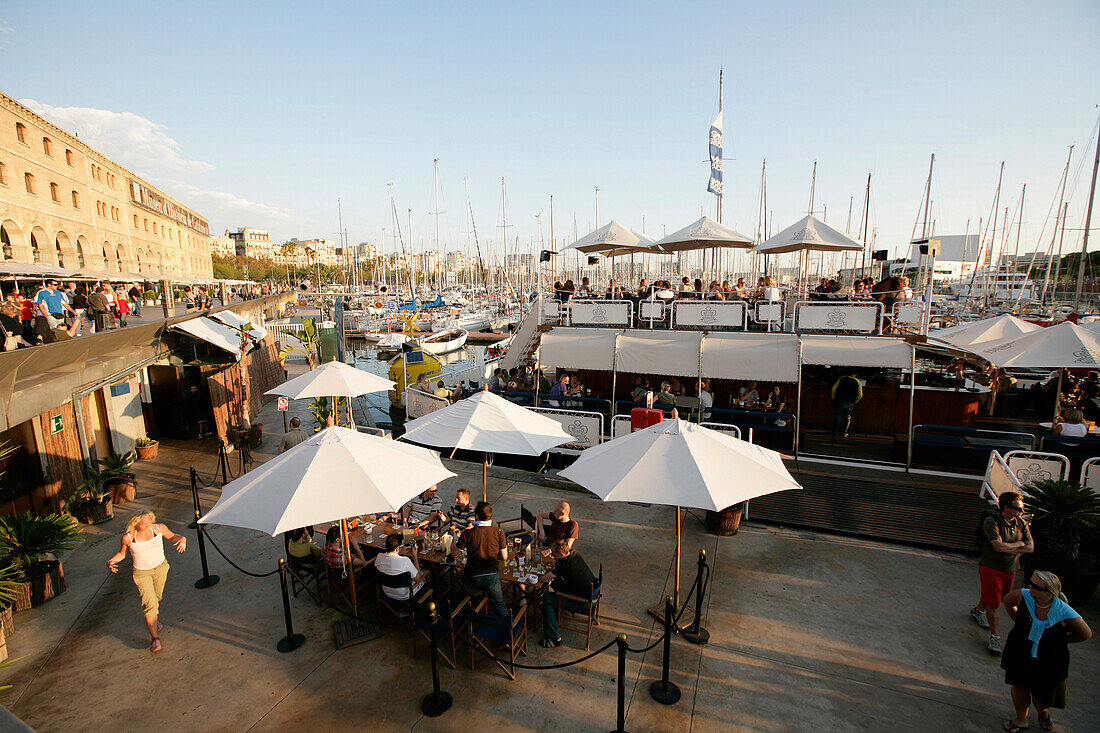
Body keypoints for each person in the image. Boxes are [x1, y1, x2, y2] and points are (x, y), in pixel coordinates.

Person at [999, 571, 1092, 732]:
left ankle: (1043, 712)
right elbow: (1007, 602)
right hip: (1021, 649)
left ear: (1049, 592)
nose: (1030, 587)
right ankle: (1021, 719)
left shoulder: (1064, 611)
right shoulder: (1023, 596)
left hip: (1050, 657)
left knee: (1042, 692)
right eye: (1030, 583)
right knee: (1019, 685)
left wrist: (1060, 640)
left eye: (1036, 586)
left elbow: (1085, 634)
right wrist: (1020, 622)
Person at [107, 511, 187, 653]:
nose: (147, 526)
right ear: (135, 523)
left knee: (156, 599)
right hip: (142, 574)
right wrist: (111, 561)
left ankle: (154, 621)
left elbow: (173, 536)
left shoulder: (159, 528)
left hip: (161, 568)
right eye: (144, 524)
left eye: (149, 522)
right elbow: (122, 553)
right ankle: (155, 639)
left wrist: (183, 539)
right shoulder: (129, 538)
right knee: (149, 605)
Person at [970, 491, 1033, 655]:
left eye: (1022, 508)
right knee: (995, 603)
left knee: (1002, 598)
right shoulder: (992, 522)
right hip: (992, 568)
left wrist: (1010, 547)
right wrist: (1019, 545)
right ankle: (995, 636)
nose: (1021, 511)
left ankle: (977, 611)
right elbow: (998, 546)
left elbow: (1030, 547)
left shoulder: (1021, 523)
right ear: (1006, 508)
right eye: (1017, 508)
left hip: (1010, 569)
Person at [538, 538, 598, 648]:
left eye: (552, 551)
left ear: (560, 554)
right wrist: (555, 560)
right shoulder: (574, 553)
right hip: (591, 593)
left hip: (584, 603)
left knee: (546, 598)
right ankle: (558, 610)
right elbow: (557, 567)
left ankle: (554, 637)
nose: (550, 553)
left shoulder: (564, 566)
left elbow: (544, 579)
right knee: (556, 583)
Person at [457, 501, 509, 616]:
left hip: (472, 575)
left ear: (476, 516)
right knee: (499, 605)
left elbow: (455, 552)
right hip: (492, 575)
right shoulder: (499, 532)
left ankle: (458, 617)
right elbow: (505, 557)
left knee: (461, 599)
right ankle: (506, 625)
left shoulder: (467, 533)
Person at [373, 533, 428, 602]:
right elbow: (418, 578)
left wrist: (400, 553)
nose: (405, 547)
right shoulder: (405, 561)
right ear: (397, 549)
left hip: (386, 591)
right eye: (403, 545)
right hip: (404, 595)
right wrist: (415, 556)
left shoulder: (379, 557)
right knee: (426, 573)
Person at [33, 279, 74, 344]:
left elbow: (64, 303)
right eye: (55, 285)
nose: (57, 286)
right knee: (54, 331)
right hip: (50, 314)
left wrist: (72, 311)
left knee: (61, 330)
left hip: (60, 314)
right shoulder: (41, 293)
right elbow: (40, 305)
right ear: (49, 285)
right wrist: (45, 315)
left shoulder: (58, 293)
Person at [831, 370, 863, 437]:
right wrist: (855, 401)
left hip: (839, 400)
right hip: (850, 402)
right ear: (856, 374)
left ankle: (835, 432)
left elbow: (833, 388)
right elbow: (860, 395)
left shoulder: (842, 378)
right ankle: (844, 433)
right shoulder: (858, 382)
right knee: (847, 417)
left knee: (838, 416)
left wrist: (833, 397)